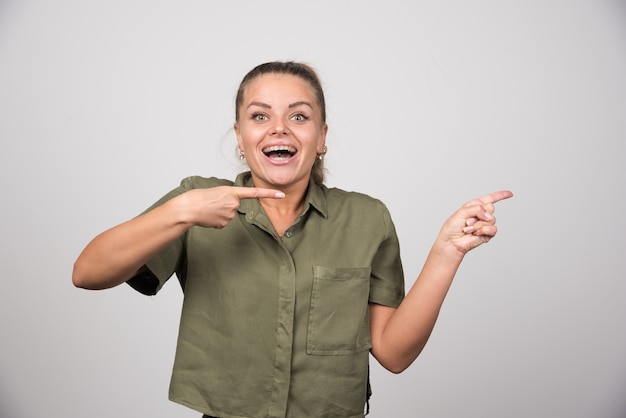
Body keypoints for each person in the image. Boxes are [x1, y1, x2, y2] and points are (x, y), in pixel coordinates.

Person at [72, 61, 513, 418]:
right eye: (260, 116)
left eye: (298, 116)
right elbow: (87, 273)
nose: (278, 129)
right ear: (241, 138)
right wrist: (181, 211)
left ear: (320, 139)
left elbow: (394, 354)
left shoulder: (366, 217)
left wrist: (447, 252)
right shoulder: (197, 200)